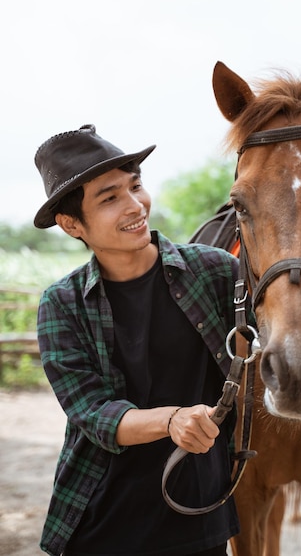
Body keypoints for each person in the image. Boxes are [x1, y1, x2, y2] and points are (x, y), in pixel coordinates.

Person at [34, 124, 242, 556]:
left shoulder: (216, 272)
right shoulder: (62, 303)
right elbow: (92, 413)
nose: (136, 205)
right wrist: (172, 420)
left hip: (198, 513)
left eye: (136, 186)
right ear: (72, 223)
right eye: (110, 198)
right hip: (102, 519)